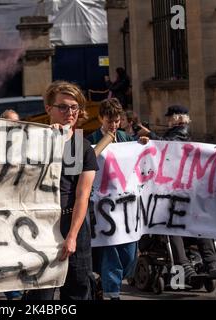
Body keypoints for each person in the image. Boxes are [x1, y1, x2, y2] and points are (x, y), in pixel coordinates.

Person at [25, 81, 98, 300]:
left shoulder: (80, 146)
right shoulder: (32, 141)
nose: (70, 112)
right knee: (41, 295)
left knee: (77, 289)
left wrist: (73, 236)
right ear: (49, 109)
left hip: (73, 226)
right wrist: (50, 140)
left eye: (74, 107)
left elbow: (82, 195)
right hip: (40, 227)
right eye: (63, 107)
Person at [138, 105, 216, 286]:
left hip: (175, 191)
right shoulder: (182, 133)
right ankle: (211, 263)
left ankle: (187, 264)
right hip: (181, 190)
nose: (168, 120)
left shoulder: (178, 134)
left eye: (170, 117)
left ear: (177, 118)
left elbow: (166, 146)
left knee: (174, 225)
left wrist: (150, 136)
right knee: (195, 225)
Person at [87, 98, 148, 300]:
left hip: (126, 209)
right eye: (109, 121)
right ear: (100, 119)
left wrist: (143, 144)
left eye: (116, 121)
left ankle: (103, 282)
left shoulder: (126, 139)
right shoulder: (91, 140)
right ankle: (112, 293)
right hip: (103, 208)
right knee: (110, 250)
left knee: (129, 253)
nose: (113, 125)